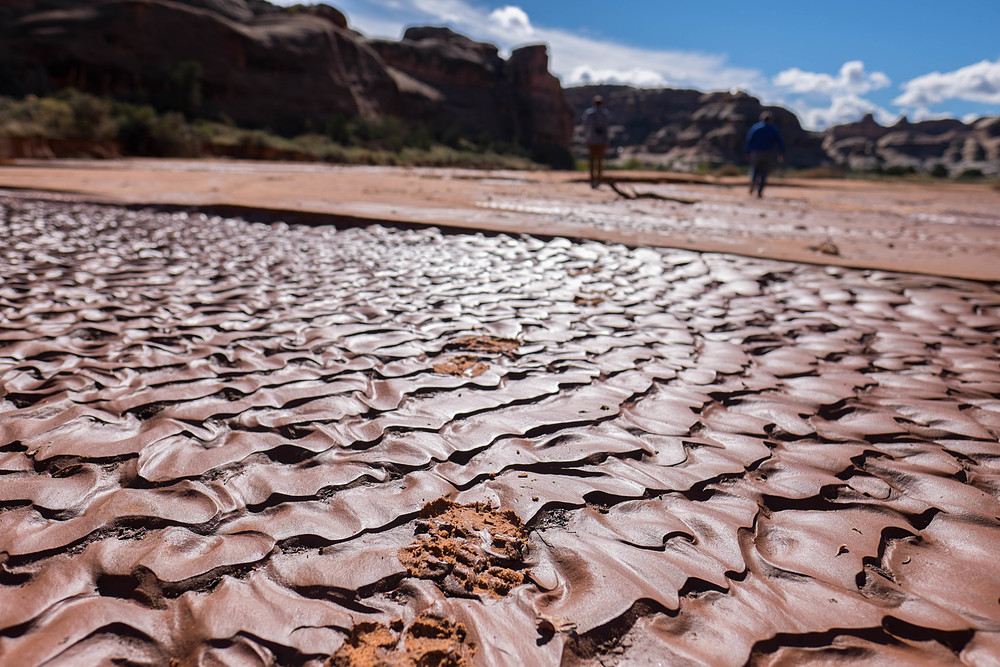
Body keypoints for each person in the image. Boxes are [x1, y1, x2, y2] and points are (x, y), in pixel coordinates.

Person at [744, 111, 786, 198]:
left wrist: (747, 152)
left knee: (754, 169)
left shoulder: (755, 128)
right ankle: (760, 191)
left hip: (756, 153)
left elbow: (749, 140)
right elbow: (779, 142)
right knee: (764, 173)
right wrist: (781, 153)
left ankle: (753, 181)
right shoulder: (773, 128)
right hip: (768, 153)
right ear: (771, 120)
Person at [582, 95, 610, 188]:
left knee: (592, 161)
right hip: (600, 141)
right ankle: (598, 180)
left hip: (592, 140)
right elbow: (606, 129)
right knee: (599, 162)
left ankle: (592, 180)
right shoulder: (604, 114)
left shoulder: (589, 114)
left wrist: (586, 138)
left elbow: (585, 127)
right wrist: (606, 140)